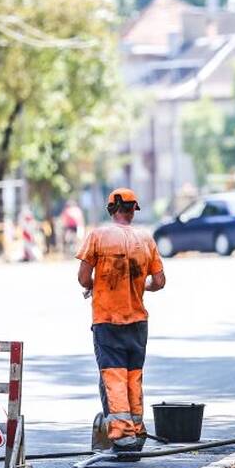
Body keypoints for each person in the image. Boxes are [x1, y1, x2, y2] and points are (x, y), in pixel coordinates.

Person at [76, 187, 166, 454]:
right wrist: (138, 287)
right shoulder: (146, 240)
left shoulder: (97, 236)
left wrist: (97, 285)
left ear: (110, 210)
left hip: (107, 320)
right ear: (133, 210)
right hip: (138, 321)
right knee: (133, 377)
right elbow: (159, 281)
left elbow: (82, 278)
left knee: (113, 378)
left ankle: (123, 438)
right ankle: (137, 432)